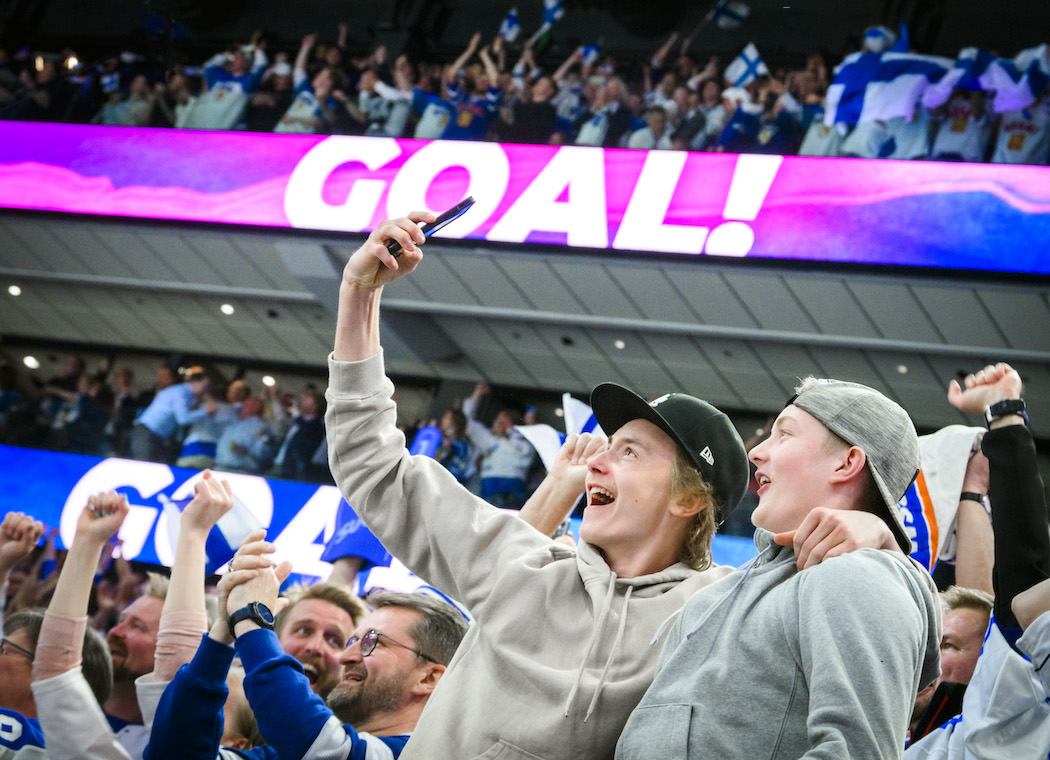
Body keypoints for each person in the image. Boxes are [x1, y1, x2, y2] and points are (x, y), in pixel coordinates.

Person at [323, 212, 900, 759]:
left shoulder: (715, 610)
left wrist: (877, 534)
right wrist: (360, 295)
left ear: (690, 498)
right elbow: (373, 465)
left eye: (629, 452)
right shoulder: (518, 564)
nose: (595, 463)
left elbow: (887, 628)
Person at [617, 377, 941, 758]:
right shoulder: (715, 597)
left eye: (784, 434)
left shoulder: (855, 575)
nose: (756, 453)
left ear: (847, 462)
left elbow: (856, 752)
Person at [130, 367, 217, 463]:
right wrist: (205, 411)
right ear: (195, 381)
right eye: (206, 385)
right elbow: (183, 419)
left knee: (155, 468)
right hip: (147, 433)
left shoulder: (186, 394)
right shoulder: (181, 392)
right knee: (144, 467)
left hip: (155, 436)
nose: (206, 389)